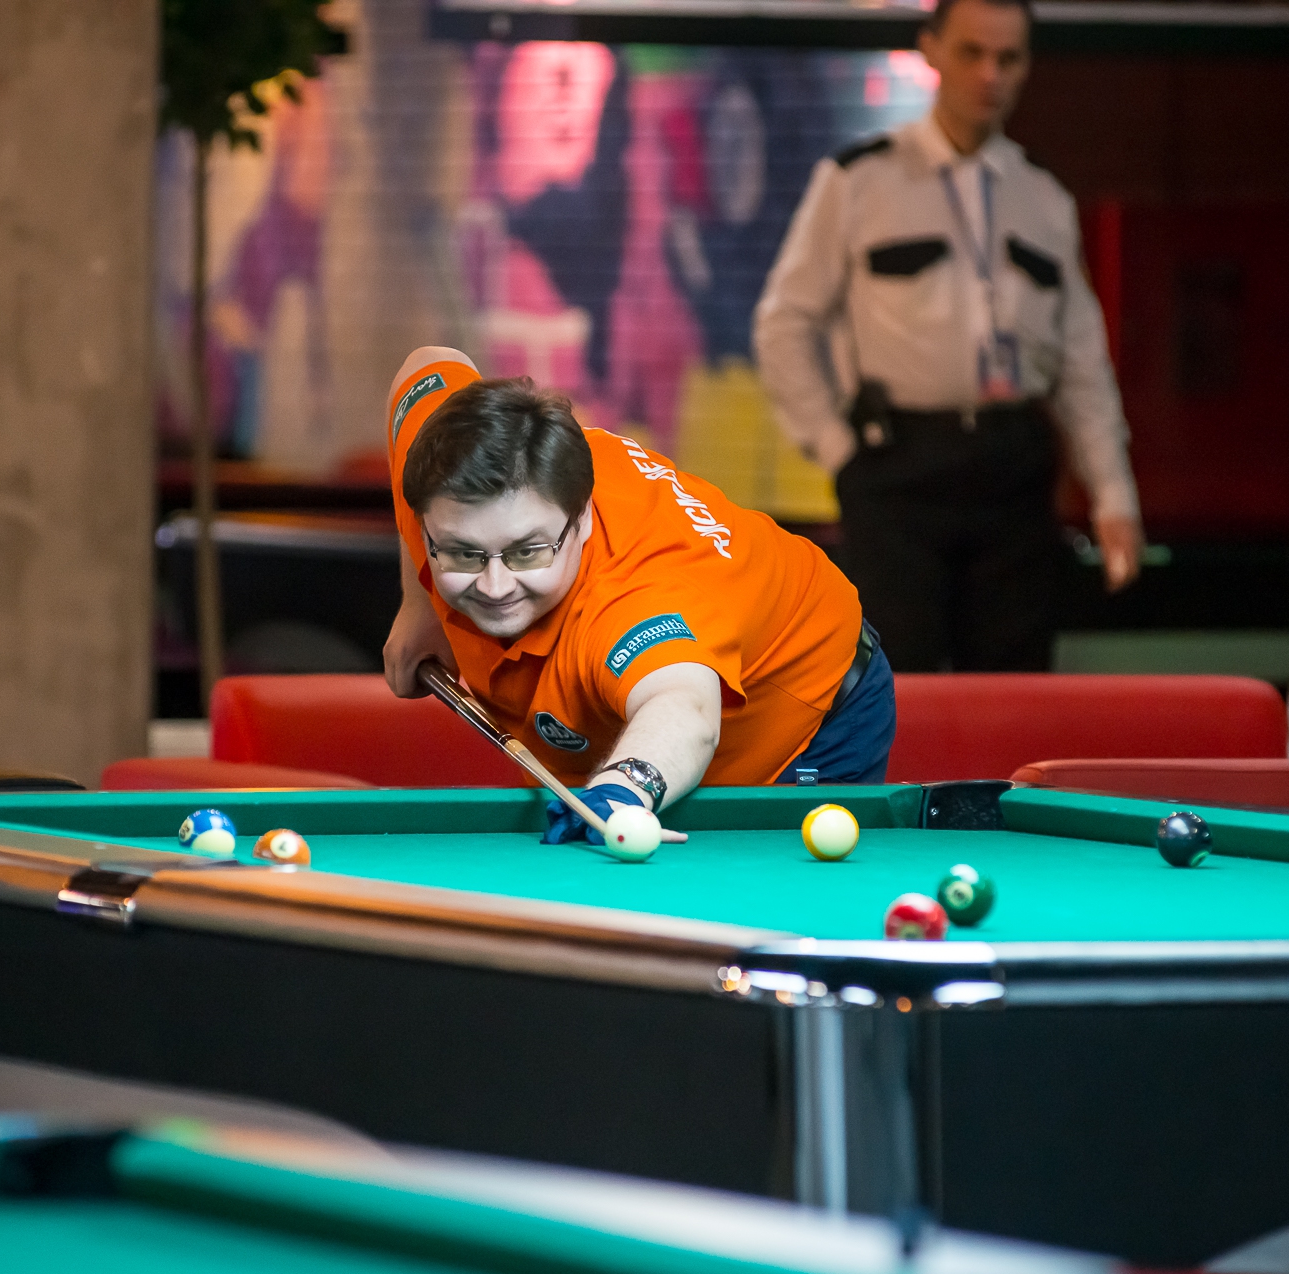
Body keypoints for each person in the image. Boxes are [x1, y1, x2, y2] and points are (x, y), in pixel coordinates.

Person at [752, 0, 1141, 673]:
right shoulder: (860, 180)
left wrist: (1112, 493)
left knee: (1015, 687)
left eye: (1008, 58)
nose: (990, 74)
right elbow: (783, 323)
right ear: (930, 50)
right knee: (900, 686)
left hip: (1014, 467)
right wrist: (838, 450)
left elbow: (1082, 361)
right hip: (897, 469)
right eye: (971, 53)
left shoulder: (1043, 196)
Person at [380, 348, 894, 844]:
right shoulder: (447, 463)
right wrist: (419, 605)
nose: (495, 586)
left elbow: (684, 709)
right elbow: (425, 364)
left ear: (581, 519)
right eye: (463, 555)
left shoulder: (635, 598)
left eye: (527, 552)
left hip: (804, 703)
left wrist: (622, 791)